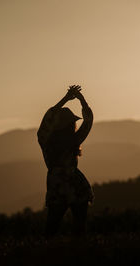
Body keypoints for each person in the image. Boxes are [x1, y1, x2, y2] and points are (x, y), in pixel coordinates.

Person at [37, 85, 95, 239]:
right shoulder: (74, 140)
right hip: (76, 185)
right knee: (79, 229)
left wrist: (65, 99)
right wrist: (81, 99)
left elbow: (47, 120)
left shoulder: (46, 142)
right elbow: (88, 121)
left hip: (57, 186)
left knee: (52, 228)